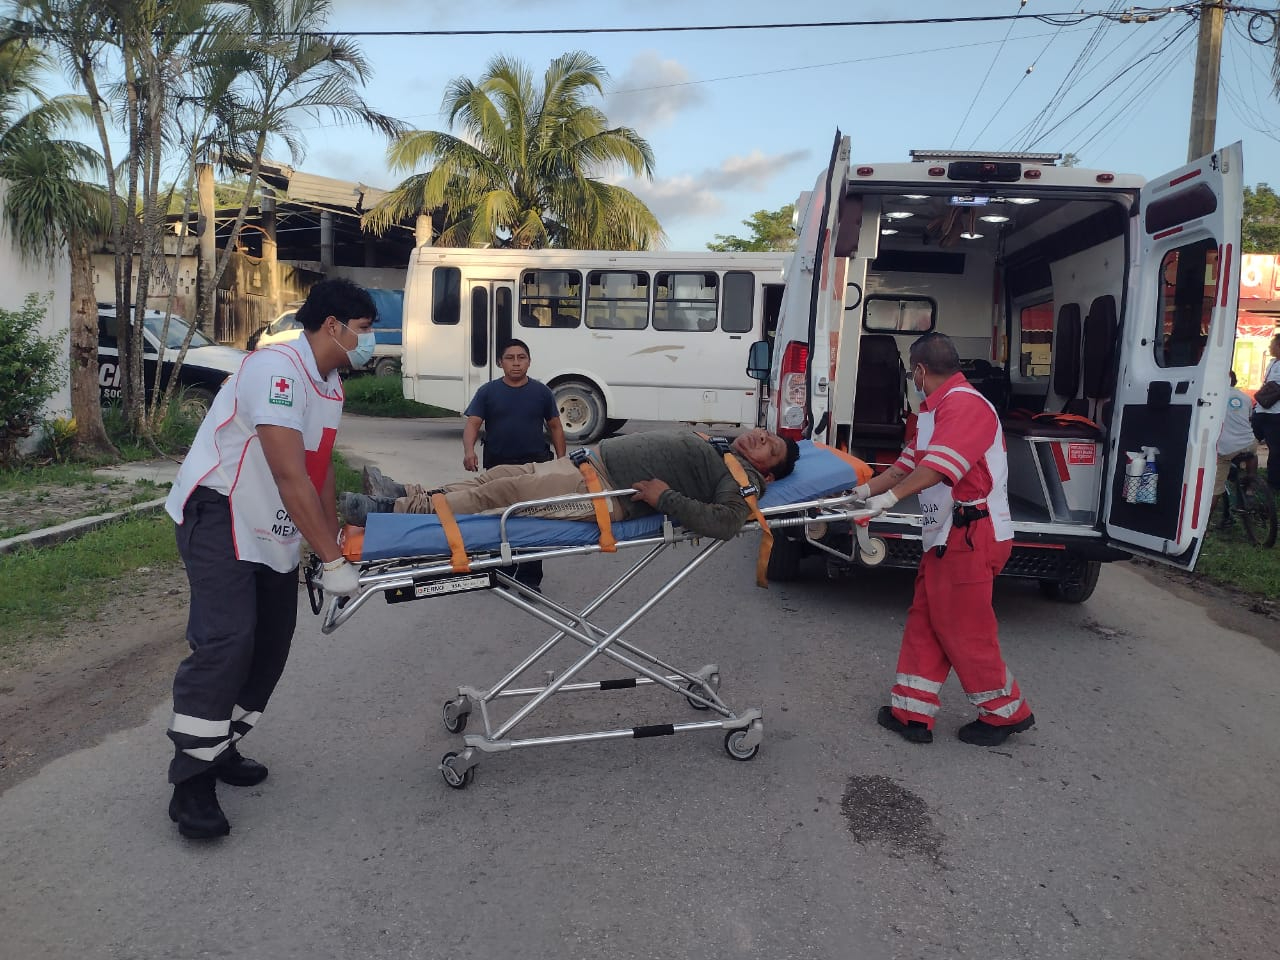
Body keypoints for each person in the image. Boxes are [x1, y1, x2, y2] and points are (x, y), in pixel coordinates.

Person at [162, 278, 375, 841]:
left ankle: (219, 746)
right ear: (333, 324)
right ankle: (191, 785)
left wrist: (332, 542)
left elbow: (319, 468)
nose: (369, 340)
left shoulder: (330, 385)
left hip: (275, 524)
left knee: (271, 645)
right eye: (365, 328)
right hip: (220, 512)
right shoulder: (277, 368)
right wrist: (331, 561)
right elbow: (287, 473)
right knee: (228, 641)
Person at [855, 332, 1034, 748]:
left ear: (919, 370)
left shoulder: (966, 407)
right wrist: (861, 493)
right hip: (948, 533)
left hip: (972, 534)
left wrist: (886, 501)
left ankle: (1005, 712)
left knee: (964, 627)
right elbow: (905, 466)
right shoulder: (934, 411)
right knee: (928, 617)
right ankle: (911, 711)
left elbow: (939, 467)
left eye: (912, 373)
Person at [346, 428, 800, 542]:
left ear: (771, 471)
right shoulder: (723, 447)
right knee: (499, 476)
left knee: (497, 497)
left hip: (597, 491)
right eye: (766, 433)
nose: (761, 437)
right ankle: (404, 493)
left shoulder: (745, 482)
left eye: (771, 447)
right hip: (583, 464)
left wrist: (664, 498)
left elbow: (724, 524)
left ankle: (389, 514)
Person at [456, 338, 566, 589]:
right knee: (497, 518)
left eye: (521, 358)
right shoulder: (488, 392)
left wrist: (562, 462)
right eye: (510, 358)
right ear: (500, 362)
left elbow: (556, 427)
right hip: (498, 465)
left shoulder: (541, 392)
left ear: (529, 361)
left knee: (532, 521)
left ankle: (529, 579)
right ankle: (499, 573)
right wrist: (468, 451)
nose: (516, 363)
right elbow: (473, 424)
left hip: (535, 466)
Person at [1213, 371, 1259, 527]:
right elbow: (1247, 418)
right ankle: (1251, 487)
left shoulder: (1214, 397)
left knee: (1216, 485)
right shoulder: (1245, 397)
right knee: (1252, 453)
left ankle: (1204, 523)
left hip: (1226, 448)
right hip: (1248, 442)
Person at [1252, 334, 1280, 489]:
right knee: (1248, 441)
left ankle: (1274, 483)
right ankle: (1244, 472)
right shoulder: (1271, 362)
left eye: (1272, 345)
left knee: (1275, 449)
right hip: (1261, 409)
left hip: (1276, 414)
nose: (1270, 347)